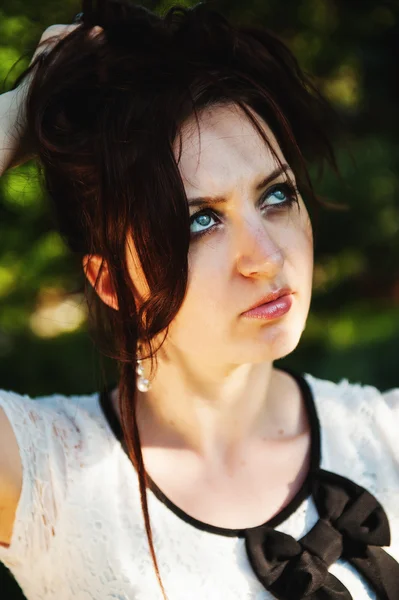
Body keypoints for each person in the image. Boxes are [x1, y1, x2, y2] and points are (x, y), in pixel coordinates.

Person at [0, 2, 398, 599]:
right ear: (113, 283)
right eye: (201, 221)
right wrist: (18, 114)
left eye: (276, 195)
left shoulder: (386, 439)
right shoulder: (49, 476)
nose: (264, 256)